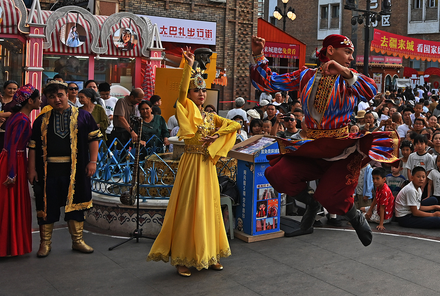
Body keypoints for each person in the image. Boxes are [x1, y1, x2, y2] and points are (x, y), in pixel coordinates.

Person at [249, 34, 399, 246]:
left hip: (341, 150)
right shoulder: (306, 75)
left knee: (331, 197)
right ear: (330, 51)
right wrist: (258, 55)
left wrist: (345, 72)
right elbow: (268, 82)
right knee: (277, 174)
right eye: (347, 52)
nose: (351, 57)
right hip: (311, 147)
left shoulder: (350, 78)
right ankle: (311, 204)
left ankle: (353, 214)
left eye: (351, 54)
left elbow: (371, 91)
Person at [148, 48, 240, 276]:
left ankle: (209, 255)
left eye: (202, 90)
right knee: (189, 208)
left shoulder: (211, 117)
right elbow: (180, 92)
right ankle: (183, 257)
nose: (200, 93)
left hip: (207, 165)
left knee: (209, 208)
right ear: (189, 93)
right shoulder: (186, 110)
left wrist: (217, 135)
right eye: (195, 90)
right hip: (191, 164)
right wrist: (187, 65)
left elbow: (236, 126)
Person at [28, 80, 102, 257]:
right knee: (46, 206)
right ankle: (45, 244)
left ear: (67, 94)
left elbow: (94, 139)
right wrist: (31, 169)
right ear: (47, 99)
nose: (57, 99)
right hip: (48, 172)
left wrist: (93, 162)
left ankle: (78, 241)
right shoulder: (41, 120)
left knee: (76, 206)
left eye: (60, 95)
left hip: (76, 171)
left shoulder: (84, 117)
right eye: (52, 97)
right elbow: (33, 147)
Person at [0, 85, 40, 257]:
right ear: (30, 101)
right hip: (14, 161)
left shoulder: (15, 116)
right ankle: (9, 246)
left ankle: (2, 245)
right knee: (11, 205)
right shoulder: (22, 120)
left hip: (6, 159)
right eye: (38, 98)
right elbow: (14, 146)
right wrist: (12, 173)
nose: (40, 100)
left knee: (5, 204)